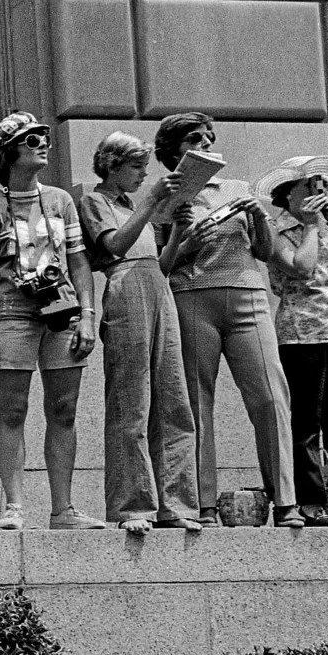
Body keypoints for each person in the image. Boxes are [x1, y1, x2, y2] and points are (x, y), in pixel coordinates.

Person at [154, 113, 302, 527]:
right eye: (193, 139)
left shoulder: (238, 189)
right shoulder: (164, 197)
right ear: (173, 150)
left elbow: (267, 250)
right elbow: (160, 265)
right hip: (192, 298)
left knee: (271, 397)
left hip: (249, 296)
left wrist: (256, 215)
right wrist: (186, 242)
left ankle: (286, 500)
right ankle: (201, 502)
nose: (204, 143)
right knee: (197, 404)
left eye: (208, 137)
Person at [0, 112, 102, 530]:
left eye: (44, 136)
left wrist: (88, 316)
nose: (43, 142)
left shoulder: (60, 200)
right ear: (8, 152)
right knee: (13, 408)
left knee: (64, 408)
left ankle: (63, 509)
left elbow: (79, 263)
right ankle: (14, 506)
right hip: (10, 312)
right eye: (31, 139)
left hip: (61, 312)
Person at [78, 131, 200, 534]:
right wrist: (151, 202)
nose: (142, 175)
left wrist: (179, 229)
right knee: (132, 400)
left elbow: (163, 263)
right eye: (136, 167)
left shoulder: (136, 203)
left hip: (157, 286)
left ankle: (175, 503)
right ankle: (133, 505)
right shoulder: (95, 200)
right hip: (125, 286)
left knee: (173, 398)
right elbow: (115, 246)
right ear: (112, 164)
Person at [260, 156, 328, 526]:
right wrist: (309, 227)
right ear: (287, 195)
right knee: (307, 418)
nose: (318, 191)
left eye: (322, 184)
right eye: (309, 185)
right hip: (301, 331)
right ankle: (309, 499)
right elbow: (302, 268)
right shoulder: (277, 230)